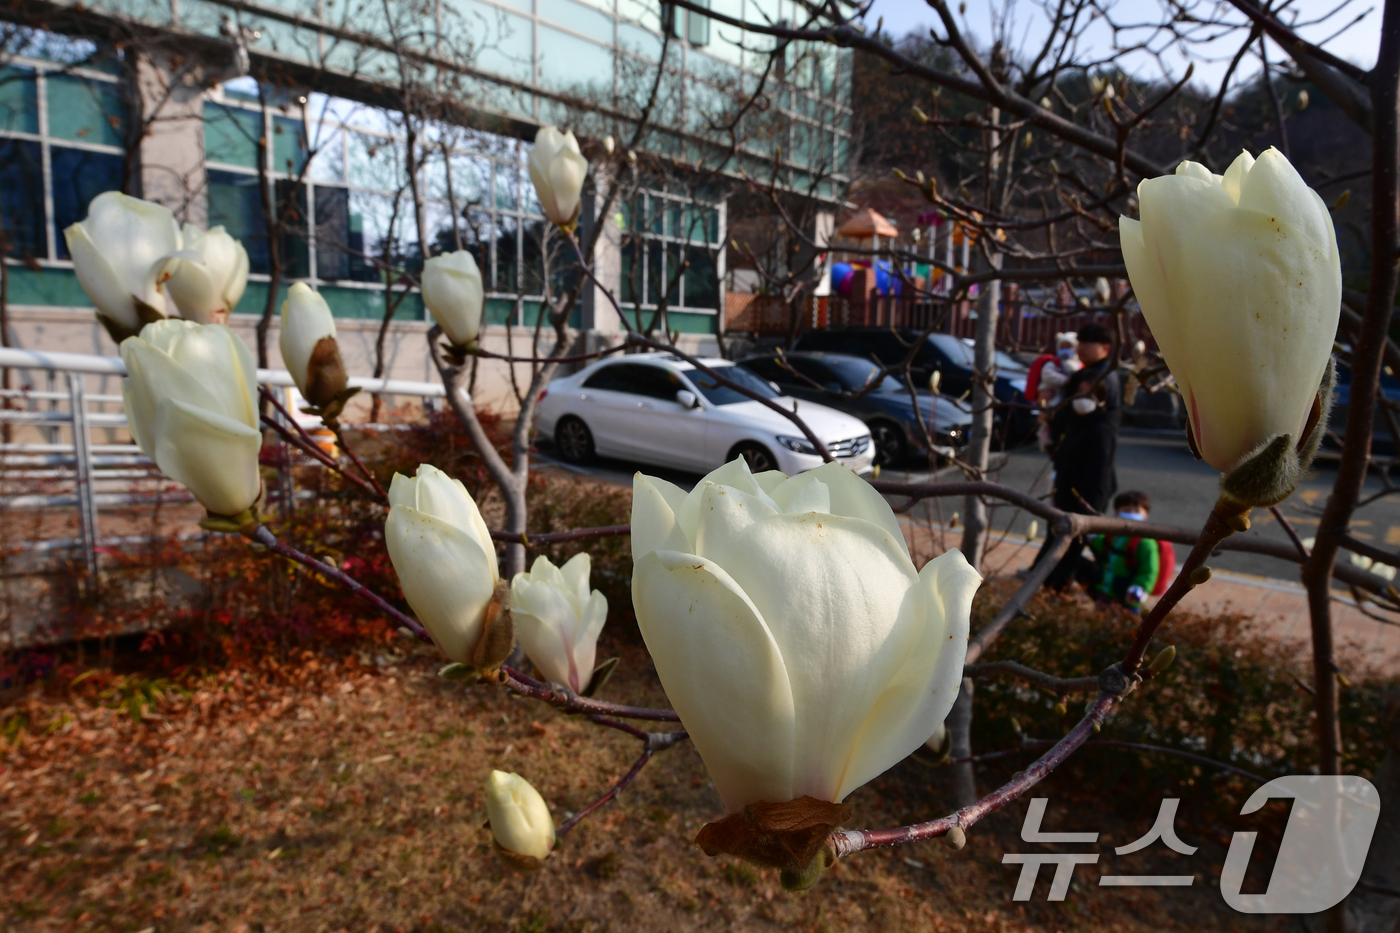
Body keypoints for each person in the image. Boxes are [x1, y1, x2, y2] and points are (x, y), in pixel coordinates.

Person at [1032, 321, 1123, 590]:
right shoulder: (1095, 373)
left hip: (1086, 479)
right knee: (1063, 532)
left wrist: (1052, 412)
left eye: (1087, 342)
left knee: (1070, 535)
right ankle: (1047, 578)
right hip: (1077, 471)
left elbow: (1077, 411)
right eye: (1079, 341)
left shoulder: (1098, 377)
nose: (1080, 347)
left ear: (1105, 348)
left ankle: (1060, 584)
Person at [1085, 491, 1162, 612]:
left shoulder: (1145, 543)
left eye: (1137, 511)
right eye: (1126, 510)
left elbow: (1149, 570)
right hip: (1106, 592)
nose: (1131, 514)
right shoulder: (1114, 535)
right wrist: (1094, 537)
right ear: (1117, 513)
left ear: (1146, 516)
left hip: (1129, 597)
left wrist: (1140, 587)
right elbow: (1103, 545)